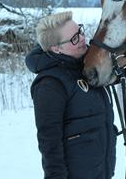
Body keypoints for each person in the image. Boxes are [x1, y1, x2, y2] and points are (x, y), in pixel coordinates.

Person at [25, 11, 117, 179]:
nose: (82, 38)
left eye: (80, 31)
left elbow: (115, 76)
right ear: (56, 48)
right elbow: (49, 142)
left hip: (102, 171)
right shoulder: (50, 85)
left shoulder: (85, 66)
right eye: (74, 38)